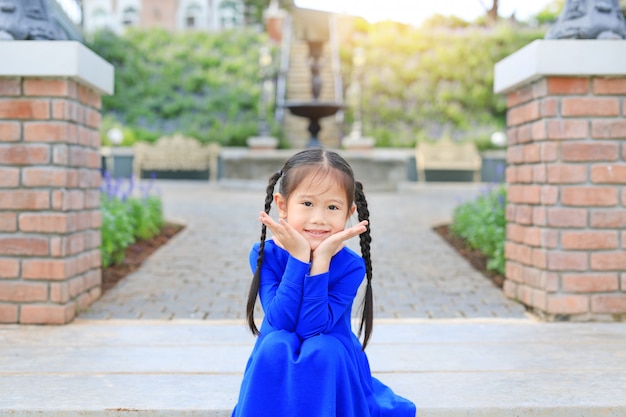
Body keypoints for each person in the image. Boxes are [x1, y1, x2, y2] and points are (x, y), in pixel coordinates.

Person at [231, 148, 416, 417]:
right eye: (307, 204)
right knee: (275, 344)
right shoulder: (266, 255)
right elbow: (280, 322)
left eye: (332, 207)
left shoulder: (351, 266)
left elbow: (312, 328)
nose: (319, 218)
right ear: (282, 205)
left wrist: (320, 263)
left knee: (322, 348)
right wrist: (298, 259)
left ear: (349, 212)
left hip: (332, 352)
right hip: (278, 351)